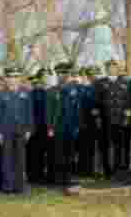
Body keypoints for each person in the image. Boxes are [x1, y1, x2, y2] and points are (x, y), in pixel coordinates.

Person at [0, 66, 34, 194]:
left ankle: (20, 186)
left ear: (19, 78)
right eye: (11, 77)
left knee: (21, 159)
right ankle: (8, 186)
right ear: (6, 79)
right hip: (6, 130)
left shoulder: (26, 93)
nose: (13, 79)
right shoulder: (1, 94)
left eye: (16, 77)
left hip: (22, 130)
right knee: (7, 159)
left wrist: (29, 129)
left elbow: (29, 112)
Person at [48, 62, 83, 191]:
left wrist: (78, 125)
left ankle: (68, 178)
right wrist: (50, 127)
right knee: (58, 153)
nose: (62, 76)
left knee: (70, 153)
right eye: (59, 74)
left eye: (64, 73)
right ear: (57, 75)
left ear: (68, 75)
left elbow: (78, 109)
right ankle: (59, 179)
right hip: (58, 127)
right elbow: (49, 111)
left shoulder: (75, 90)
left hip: (71, 126)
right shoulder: (52, 91)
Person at [97, 59, 131, 179]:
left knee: (119, 146)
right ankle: (107, 171)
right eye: (109, 67)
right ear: (106, 69)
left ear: (116, 68)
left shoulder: (124, 82)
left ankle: (118, 170)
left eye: (113, 67)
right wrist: (97, 117)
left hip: (120, 119)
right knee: (106, 146)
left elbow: (128, 101)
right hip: (106, 119)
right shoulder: (100, 83)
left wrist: (127, 115)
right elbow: (97, 101)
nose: (111, 69)